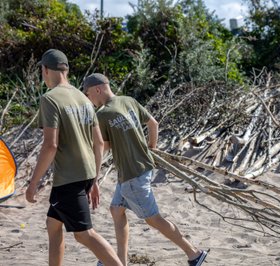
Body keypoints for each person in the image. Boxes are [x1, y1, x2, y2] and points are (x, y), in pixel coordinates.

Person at [83, 73, 209, 266]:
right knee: (117, 210)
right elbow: (153, 124)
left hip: (132, 174)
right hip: (142, 167)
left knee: (153, 219)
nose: (88, 98)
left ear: (97, 89)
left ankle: (194, 253)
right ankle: (121, 261)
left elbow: (103, 146)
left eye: (88, 93)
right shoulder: (128, 101)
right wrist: (151, 147)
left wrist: (90, 165)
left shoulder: (103, 114)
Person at [25, 49, 122, 266]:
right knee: (53, 224)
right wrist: (94, 179)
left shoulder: (49, 99)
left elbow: (51, 145)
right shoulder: (83, 98)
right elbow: (98, 143)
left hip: (69, 178)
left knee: (84, 234)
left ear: (45, 70)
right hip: (86, 174)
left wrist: (33, 183)